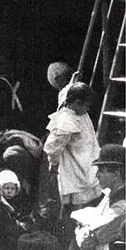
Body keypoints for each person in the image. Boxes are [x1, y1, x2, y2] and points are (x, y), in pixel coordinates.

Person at [43, 83, 101, 219]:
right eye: (86, 105)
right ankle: (68, 224)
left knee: (90, 185)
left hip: (86, 154)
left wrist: (73, 80)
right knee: (76, 196)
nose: (87, 109)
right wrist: (54, 164)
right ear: (77, 102)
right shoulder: (66, 120)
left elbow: (65, 92)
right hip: (74, 162)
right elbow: (53, 147)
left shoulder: (79, 112)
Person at [72, 144, 126, 250]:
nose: (97, 175)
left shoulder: (122, 202)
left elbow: (108, 228)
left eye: (101, 170)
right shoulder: (108, 196)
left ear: (116, 174)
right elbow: (85, 224)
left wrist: (91, 241)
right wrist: (86, 239)